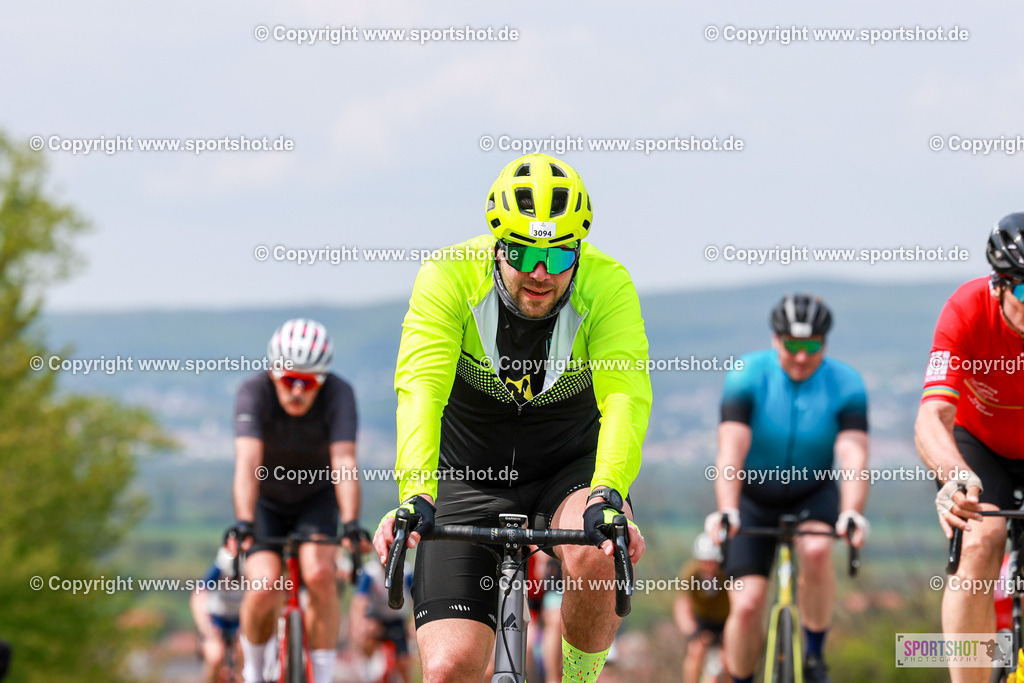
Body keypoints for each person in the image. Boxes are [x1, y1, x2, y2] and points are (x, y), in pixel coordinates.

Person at [372, 153, 652, 683]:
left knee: (597, 552)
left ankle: (577, 679)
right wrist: (415, 493)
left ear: (579, 249)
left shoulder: (607, 286)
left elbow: (626, 397)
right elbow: (421, 392)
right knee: (452, 666)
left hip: (567, 475)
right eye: (522, 254)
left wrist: (608, 493)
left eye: (560, 253)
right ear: (498, 244)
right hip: (466, 475)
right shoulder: (449, 278)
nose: (541, 273)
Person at [706, 293, 870, 683]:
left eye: (811, 346)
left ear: (825, 343)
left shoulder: (847, 382)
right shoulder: (747, 374)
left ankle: (813, 657)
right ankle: (741, 677)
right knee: (746, 606)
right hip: (753, 497)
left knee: (815, 551)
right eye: (792, 345)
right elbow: (731, 448)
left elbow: (853, 454)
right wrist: (727, 507)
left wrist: (852, 511)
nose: (801, 356)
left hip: (812, 492)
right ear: (775, 339)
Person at [916, 214, 1024, 683]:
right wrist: (954, 476)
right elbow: (931, 417)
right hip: (980, 445)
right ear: (1000, 285)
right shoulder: (965, 309)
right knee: (981, 539)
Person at [230, 318, 364, 683]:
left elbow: (344, 462)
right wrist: (244, 522)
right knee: (262, 586)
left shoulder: (340, 393)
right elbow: (247, 463)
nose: (296, 392)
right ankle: (255, 671)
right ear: (274, 374)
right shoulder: (253, 391)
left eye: (308, 383)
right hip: (266, 500)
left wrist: (351, 523)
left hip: (316, 497)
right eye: (289, 380)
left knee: (320, 573)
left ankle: (321, 675)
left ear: (322, 380)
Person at [675, 533, 730, 683]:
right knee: (695, 652)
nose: (708, 566)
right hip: (702, 621)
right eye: (704, 562)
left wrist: (728, 632)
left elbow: (737, 604)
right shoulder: (690, 573)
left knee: (727, 660)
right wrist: (692, 631)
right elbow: (683, 605)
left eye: (712, 562)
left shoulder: (727, 574)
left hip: (725, 620)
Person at [349, 557, 413, 683]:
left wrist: (413, 626)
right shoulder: (370, 572)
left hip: (397, 619)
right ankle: (367, 671)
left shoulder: (407, 572)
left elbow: (415, 601)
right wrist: (358, 626)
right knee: (368, 631)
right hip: (376, 618)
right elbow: (359, 601)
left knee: (404, 662)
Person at [190, 546, 246, 683]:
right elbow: (198, 596)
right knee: (215, 657)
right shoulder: (217, 570)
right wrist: (205, 625)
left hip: (240, 619)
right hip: (216, 618)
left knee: (243, 656)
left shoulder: (249, 569)